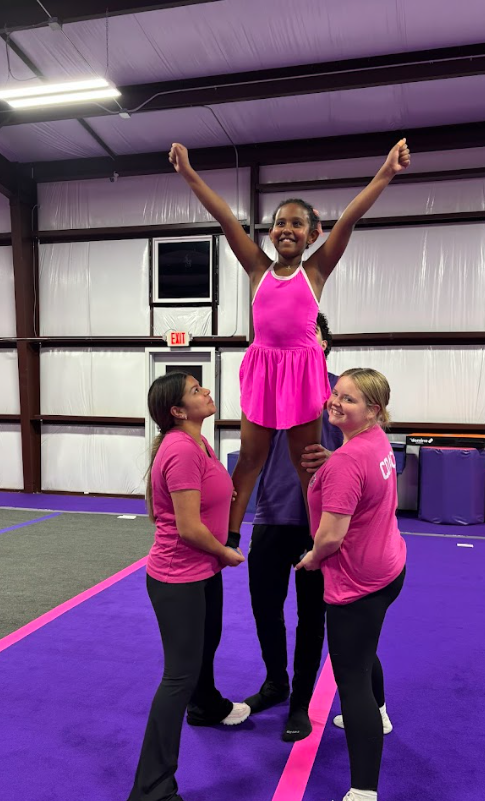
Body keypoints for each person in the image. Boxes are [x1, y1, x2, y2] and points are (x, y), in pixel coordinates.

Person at [168, 139, 411, 551]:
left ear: (313, 234)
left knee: (307, 462)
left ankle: (316, 539)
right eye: (280, 223)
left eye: (297, 224)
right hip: (264, 370)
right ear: (270, 232)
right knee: (250, 460)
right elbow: (224, 216)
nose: (286, 229)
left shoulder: (315, 272)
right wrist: (190, 174)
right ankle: (229, 537)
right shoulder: (257, 269)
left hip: (301, 372)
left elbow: (350, 218)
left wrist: (386, 172)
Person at [126, 372, 250, 801]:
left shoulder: (200, 443)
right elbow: (187, 528)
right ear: (177, 411)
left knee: (206, 646)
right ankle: (150, 796)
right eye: (196, 391)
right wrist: (225, 552)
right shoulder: (180, 449)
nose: (207, 392)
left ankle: (207, 706)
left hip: (203, 572)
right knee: (178, 676)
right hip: (178, 577)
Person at [296, 368, 407, 801]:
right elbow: (357, 478)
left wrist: (311, 558)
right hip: (388, 568)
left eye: (350, 400)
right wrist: (335, 464)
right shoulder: (376, 442)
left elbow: (330, 537)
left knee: (351, 679)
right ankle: (379, 713)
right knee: (364, 652)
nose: (336, 403)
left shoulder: (346, 462)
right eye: (336, 394)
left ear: (374, 410)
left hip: (357, 582)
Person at [244, 312, 342, 743]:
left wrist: (335, 459)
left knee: (311, 616)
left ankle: (300, 700)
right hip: (271, 514)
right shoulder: (271, 391)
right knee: (265, 607)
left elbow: (365, 448)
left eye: (309, 333)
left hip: (317, 522)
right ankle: (275, 682)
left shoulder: (339, 394)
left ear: (323, 344)